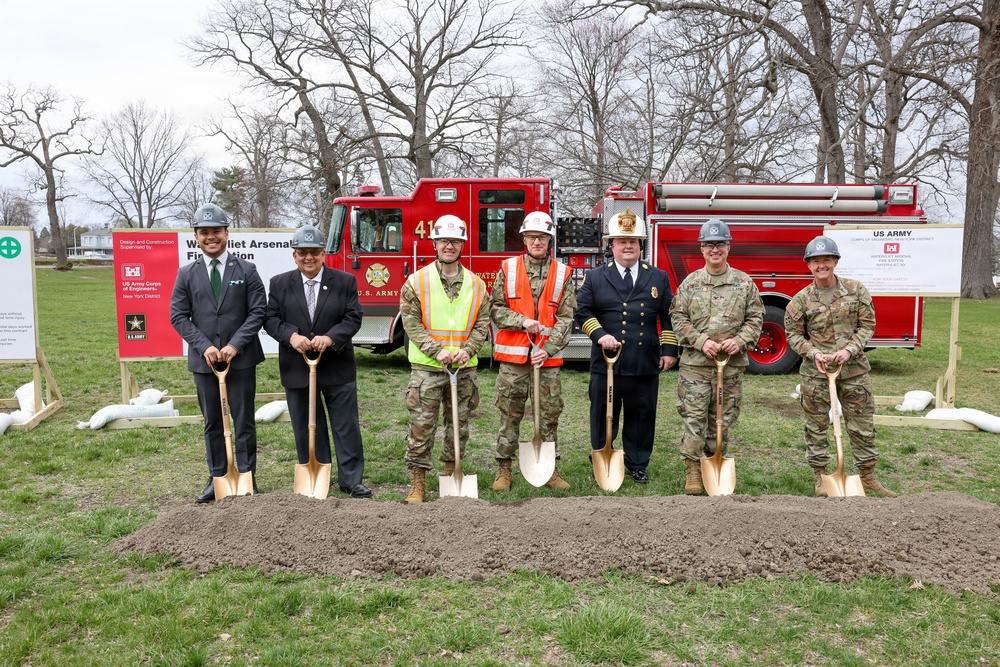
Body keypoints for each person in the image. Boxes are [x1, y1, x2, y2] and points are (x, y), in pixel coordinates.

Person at [263, 225, 372, 498]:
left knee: (345, 425)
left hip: (337, 366)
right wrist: (291, 337)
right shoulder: (279, 283)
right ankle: (316, 472)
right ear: (294, 255)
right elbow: (271, 319)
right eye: (302, 253)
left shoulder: (344, 281)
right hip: (297, 367)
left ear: (323, 253)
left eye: (313, 252)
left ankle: (351, 479)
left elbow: (353, 317)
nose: (308, 258)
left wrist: (331, 338)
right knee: (305, 425)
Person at [785, 235, 897, 497]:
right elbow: (793, 334)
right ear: (808, 265)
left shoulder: (855, 290)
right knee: (816, 427)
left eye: (826, 260)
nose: (821, 265)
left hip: (854, 371)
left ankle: (867, 477)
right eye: (815, 261)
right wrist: (813, 353)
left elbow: (867, 324)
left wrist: (850, 350)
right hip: (816, 375)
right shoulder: (801, 300)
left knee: (862, 425)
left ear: (835, 262)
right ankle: (821, 477)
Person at [170, 203, 266, 503]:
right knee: (213, 422)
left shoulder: (246, 270)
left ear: (227, 233)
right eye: (204, 233)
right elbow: (178, 316)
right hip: (205, 362)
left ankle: (247, 477)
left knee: (243, 421)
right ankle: (218, 477)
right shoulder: (186, 274)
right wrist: (206, 347)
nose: (211, 237)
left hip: (241, 360)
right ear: (196, 237)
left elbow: (258, 311)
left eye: (216, 232)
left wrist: (235, 345)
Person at [575, 208, 678, 484]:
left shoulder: (658, 277)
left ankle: (637, 462)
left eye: (633, 241)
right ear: (612, 245)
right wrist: (599, 335)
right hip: (606, 360)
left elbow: (668, 314)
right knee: (602, 413)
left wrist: (668, 350)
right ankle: (602, 453)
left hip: (644, 360)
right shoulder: (595, 277)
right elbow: (583, 312)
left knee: (642, 414)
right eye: (622, 241)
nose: (628, 246)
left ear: (641, 245)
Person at [399, 214, 490, 503]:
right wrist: (435, 350)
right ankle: (418, 481)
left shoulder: (477, 285)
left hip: (463, 369)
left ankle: (452, 473)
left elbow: (482, 323)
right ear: (435, 243)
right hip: (428, 368)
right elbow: (411, 322)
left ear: (462, 245)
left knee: (458, 426)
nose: (449, 246)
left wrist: (469, 349)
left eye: (455, 241)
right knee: (421, 426)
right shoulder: (416, 282)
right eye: (443, 240)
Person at [669, 219, 764, 495]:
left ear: (728, 247)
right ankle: (693, 470)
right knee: (693, 416)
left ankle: (714, 460)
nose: (714, 249)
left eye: (720, 244)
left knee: (722, 417)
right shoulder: (691, 283)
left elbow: (756, 317)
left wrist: (740, 340)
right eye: (709, 244)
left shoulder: (744, 283)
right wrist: (701, 341)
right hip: (696, 366)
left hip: (731, 367)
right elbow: (678, 317)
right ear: (701, 248)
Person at [489, 211, 576, 491]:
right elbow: (495, 309)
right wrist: (522, 321)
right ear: (524, 238)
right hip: (514, 358)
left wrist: (548, 349)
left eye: (542, 237)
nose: (536, 241)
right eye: (531, 236)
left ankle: (549, 469)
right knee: (509, 414)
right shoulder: (508, 268)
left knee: (549, 416)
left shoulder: (563, 273)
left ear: (550, 240)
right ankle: (504, 468)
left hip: (546, 361)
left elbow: (566, 317)